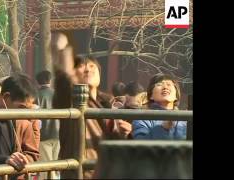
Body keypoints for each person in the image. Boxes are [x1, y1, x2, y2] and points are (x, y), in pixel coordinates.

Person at [51, 33, 132, 178]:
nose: (88, 69)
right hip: (81, 172)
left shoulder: (109, 103)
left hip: (106, 171)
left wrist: (124, 134)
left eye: (92, 66)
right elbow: (64, 78)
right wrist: (64, 51)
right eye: (81, 66)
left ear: (100, 74)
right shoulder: (71, 99)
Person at [0, 74, 40, 180]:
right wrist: (4, 159)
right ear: (6, 97)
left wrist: (23, 159)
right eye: (21, 107)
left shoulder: (23, 120)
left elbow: (32, 153)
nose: (26, 113)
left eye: (29, 108)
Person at [132, 74, 187, 140]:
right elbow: (140, 144)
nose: (165, 87)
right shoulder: (142, 118)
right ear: (151, 95)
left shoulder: (185, 118)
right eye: (159, 85)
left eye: (169, 84)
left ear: (176, 95)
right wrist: (162, 128)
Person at [35, 70, 60, 180]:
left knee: (45, 167)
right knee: (56, 165)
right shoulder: (58, 94)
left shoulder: (36, 95)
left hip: (43, 135)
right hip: (58, 134)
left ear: (37, 81)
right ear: (50, 80)